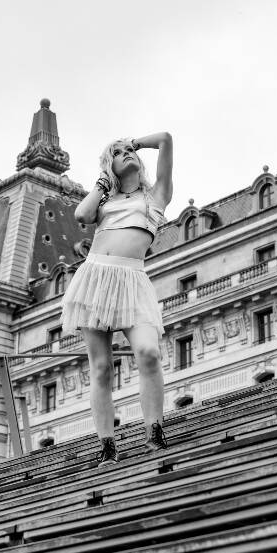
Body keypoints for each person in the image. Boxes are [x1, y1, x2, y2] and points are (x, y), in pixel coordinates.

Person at [60, 132, 173, 467]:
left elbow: (166, 139)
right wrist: (103, 179)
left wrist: (132, 144)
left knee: (148, 352)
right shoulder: (105, 202)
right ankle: (107, 444)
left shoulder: (156, 196)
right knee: (101, 367)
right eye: (118, 153)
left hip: (132, 278)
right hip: (95, 276)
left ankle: (154, 431)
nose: (125, 154)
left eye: (129, 152)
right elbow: (82, 214)